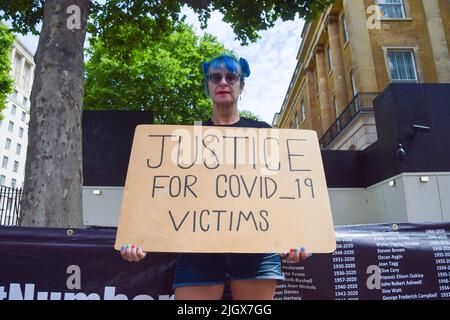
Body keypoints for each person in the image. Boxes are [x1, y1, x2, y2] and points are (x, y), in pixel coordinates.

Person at [120, 54, 310, 300]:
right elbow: (168, 193)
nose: (223, 82)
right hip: (198, 251)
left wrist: (296, 236)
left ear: (241, 85)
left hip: (256, 250)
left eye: (231, 77)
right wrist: (139, 235)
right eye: (215, 77)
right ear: (207, 85)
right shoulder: (188, 136)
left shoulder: (263, 132)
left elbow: (280, 189)